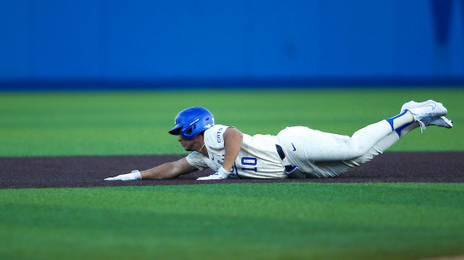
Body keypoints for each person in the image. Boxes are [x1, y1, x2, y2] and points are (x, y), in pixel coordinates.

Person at [104, 100, 452, 181]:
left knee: (355, 146)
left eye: (181, 131)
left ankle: (408, 112)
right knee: (362, 157)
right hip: (298, 167)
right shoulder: (202, 156)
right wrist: (137, 175)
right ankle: (416, 118)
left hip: (294, 146)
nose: (179, 137)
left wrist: (225, 170)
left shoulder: (214, 134)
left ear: (195, 127)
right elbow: (174, 167)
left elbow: (233, 134)